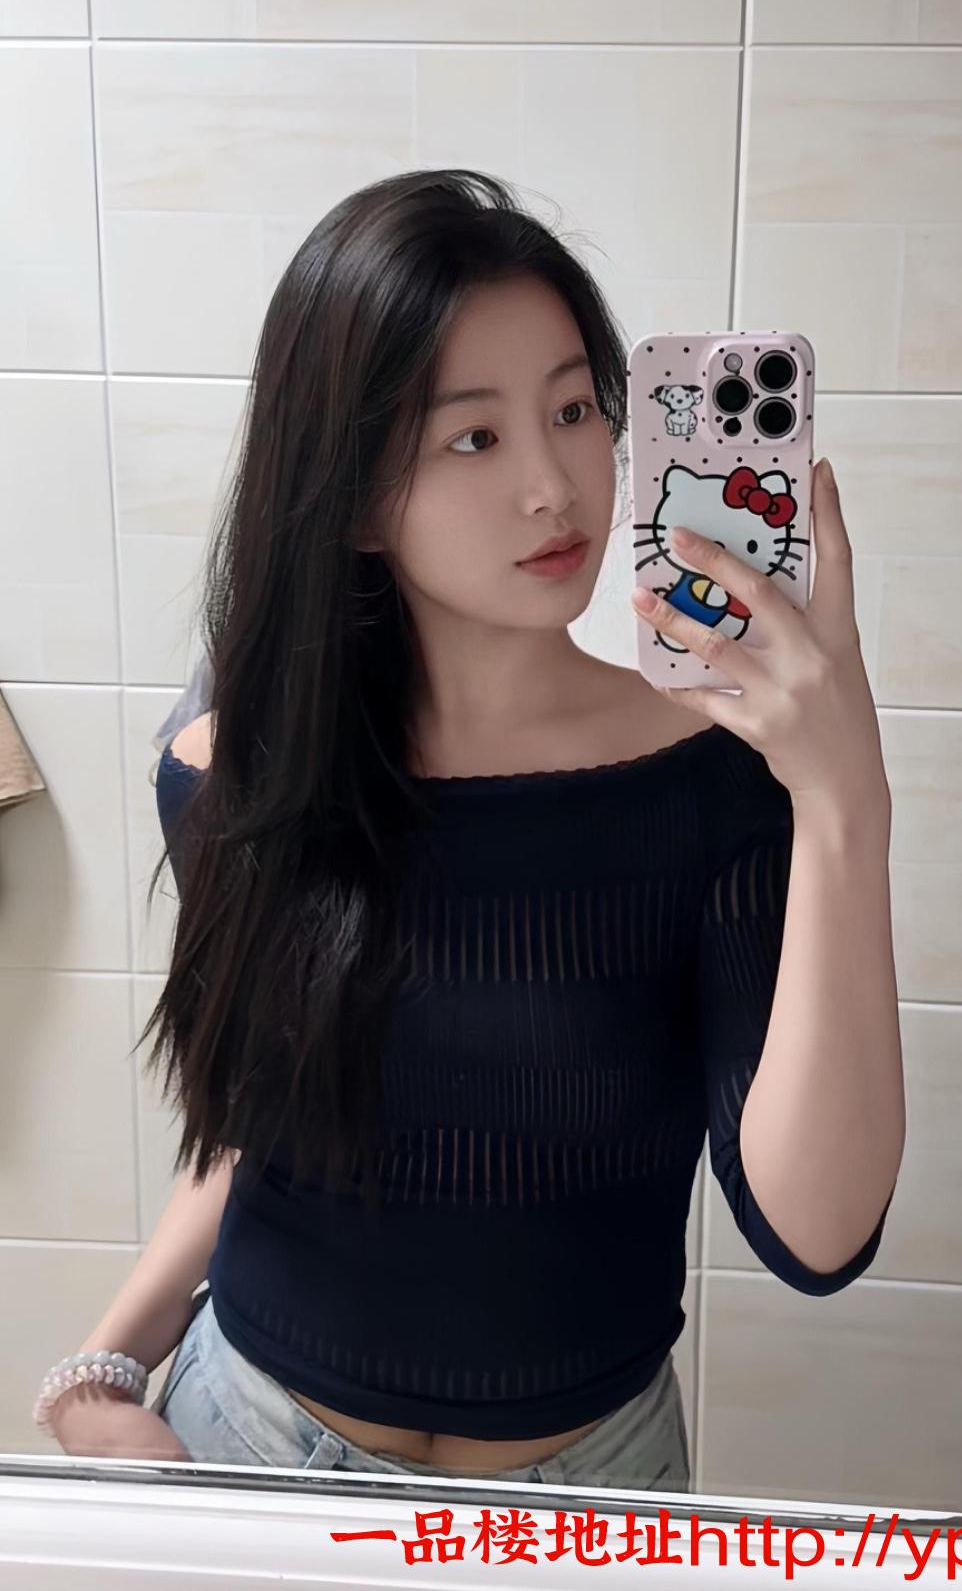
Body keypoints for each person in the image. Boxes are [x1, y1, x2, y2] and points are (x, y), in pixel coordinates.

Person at [45, 168, 896, 1491]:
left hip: (586, 1489)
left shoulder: (716, 782)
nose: (556, 486)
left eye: (574, 410)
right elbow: (265, 1125)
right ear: (350, 492)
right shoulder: (235, 772)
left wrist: (845, 804)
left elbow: (818, 1236)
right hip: (249, 1443)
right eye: (474, 438)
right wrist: (102, 1366)